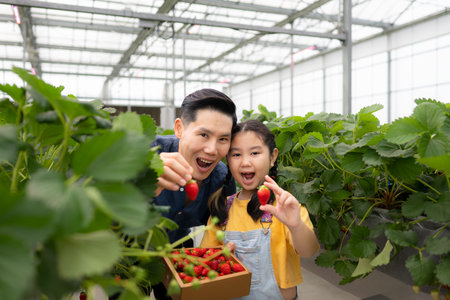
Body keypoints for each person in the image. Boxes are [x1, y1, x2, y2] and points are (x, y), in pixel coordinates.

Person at [201, 119, 320, 300]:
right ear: (227, 160)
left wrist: (295, 225)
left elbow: (308, 250)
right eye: (236, 155)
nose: (245, 162)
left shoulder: (285, 206)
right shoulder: (221, 209)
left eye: (255, 153)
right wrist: (222, 259)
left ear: (272, 157)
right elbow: (206, 265)